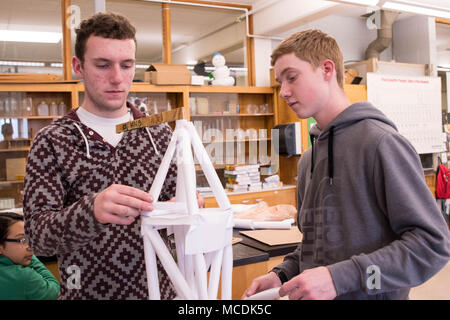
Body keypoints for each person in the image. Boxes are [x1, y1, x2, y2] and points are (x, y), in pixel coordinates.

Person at [242, 29, 450, 300]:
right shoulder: (308, 161)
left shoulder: (381, 144)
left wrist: (339, 279)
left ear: (327, 69)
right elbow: (316, 245)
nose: (283, 92)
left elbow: (431, 246)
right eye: (280, 82)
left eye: (292, 78)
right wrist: (282, 274)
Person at [23, 12, 203, 299]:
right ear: (78, 66)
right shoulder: (53, 140)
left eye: (126, 65)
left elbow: (181, 213)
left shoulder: (159, 135)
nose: (117, 78)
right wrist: (91, 211)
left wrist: (186, 206)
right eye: (103, 65)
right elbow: (36, 237)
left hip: (160, 293)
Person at [0, 212, 59, 300]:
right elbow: (56, 292)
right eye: (22, 240)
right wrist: (31, 257)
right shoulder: (23, 277)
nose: (31, 247)